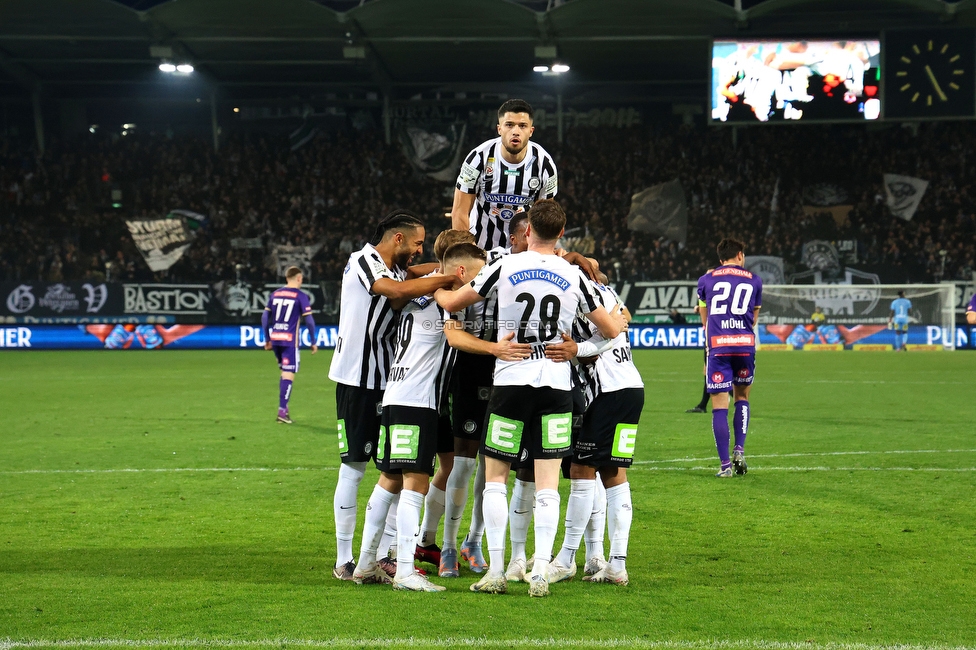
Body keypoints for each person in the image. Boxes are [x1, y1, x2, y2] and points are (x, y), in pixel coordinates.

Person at [434, 199, 626, 597]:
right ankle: (540, 570)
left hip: (510, 382)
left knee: (495, 481)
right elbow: (610, 329)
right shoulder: (573, 275)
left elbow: (452, 302)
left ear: (527, 230)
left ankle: (498, 570)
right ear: (562, 231)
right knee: (547, 484)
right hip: (556, 384)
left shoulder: (504, 266)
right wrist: (577, 349)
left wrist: (441, 300)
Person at [351, 244, 493, 591]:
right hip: (417, 401)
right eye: (477, 275)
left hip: (395, 394)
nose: (480, 284)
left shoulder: (420, 293)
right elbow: (455, 337)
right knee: (415, 483)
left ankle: (366, 563)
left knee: (389, 479)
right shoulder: (444, 297)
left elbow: (409, 285)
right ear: (460, 273)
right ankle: (404, 571)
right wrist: (495, 349)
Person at [327, 210, 457, 581]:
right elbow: (397, 291)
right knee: (353, 468)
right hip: (357, 379)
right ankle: (343, 559)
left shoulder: (398, 267)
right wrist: (451, 276)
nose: (418, 251)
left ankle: (383, 554)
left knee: (397, 468)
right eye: (417, 243)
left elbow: (415, 274)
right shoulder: (365, 260)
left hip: (390, 380)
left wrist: (455, 265)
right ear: (397, 239)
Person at [438, 213, 529, 579]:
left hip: (507, 372)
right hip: (471, 368)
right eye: (523, 234)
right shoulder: (488, 259)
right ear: (515, 235)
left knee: (495, 463)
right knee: (463, 462)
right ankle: (446, 545)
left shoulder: (543, 265)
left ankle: (473, 541)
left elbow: (572, 260)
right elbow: (446, 287)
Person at [546, 272, 643, 587]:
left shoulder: (575, 293)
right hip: (630, 388)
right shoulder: (606, 291)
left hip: (609, 391)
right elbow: (620, 322)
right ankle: (617, 562)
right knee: (613, 473)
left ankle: (565, 559)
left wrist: (577, 350)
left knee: (581, 469)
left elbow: (611, 332)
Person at [451, 99, 558, 250]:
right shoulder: (478, 158)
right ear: (499, 129)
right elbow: (459, 212)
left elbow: (546, 217)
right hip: (481, 247)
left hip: (524, 251)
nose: (515, 131)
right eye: (509, 125)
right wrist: (468, 252)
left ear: (531, 131)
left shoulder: (545, 165)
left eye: (522, 126)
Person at [696, 238, 763, 478]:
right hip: (745, 346)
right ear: (741, 255)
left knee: (719, 406)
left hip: (719, 346)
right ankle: (739, 450)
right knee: (742, 397)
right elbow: (753, 318)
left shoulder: (706, 279)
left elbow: (704, 316)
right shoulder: (754, 280)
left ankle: (725, 466)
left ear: (720, 257)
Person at [262, 265, 317, 424]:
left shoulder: (275, 294)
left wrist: (267, 339)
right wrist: (313, 341)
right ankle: (281, 411)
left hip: (276, 337)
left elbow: (265, 318)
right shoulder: (300, 296)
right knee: (288, 373)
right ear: (299, 278)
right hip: (289, 340)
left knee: (284, 372)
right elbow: (310, 321)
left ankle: (284, 410)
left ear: (287, 278)